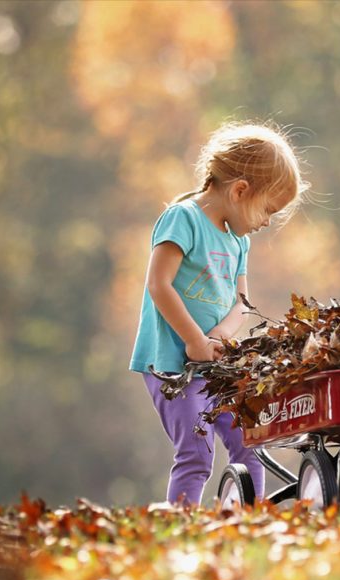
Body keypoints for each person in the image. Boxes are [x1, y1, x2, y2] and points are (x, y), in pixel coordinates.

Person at [129, 121, 308, 505]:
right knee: (196, 452)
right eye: (268, 210)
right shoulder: (184, 219)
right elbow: (159, 284)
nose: (266, 222)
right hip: (171, 365)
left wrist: (217, 340)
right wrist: (194, 340)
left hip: (214, 365)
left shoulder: (238, 241)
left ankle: (250, 517)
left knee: (249, 440)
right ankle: (183, 522)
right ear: (241, 190)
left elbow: (241, 302)